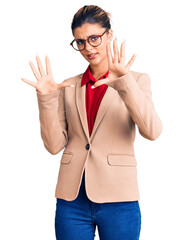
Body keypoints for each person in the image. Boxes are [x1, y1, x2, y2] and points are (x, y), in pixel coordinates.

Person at [21, 4, 162, 240]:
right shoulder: (69, 85)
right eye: (80, 42)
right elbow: (54, 146)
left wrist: (125, 83)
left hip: (119, 199)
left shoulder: (137, 80)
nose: (88, 48)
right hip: (72, 200)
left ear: (110, 35)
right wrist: (46, 98)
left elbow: (152, 131)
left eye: (94, 38)